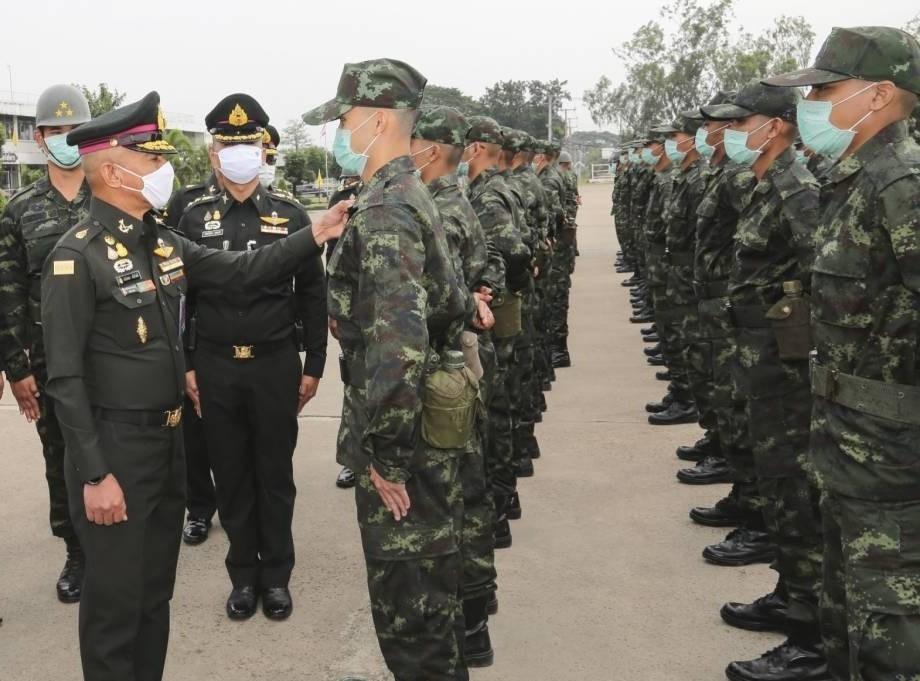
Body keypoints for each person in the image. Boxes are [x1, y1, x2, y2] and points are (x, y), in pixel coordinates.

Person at [41, 90, 345, 681]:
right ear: (114, 173)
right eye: (153, 159)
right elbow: (66, 380)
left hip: (168, 445)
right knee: (114, 610)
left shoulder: (160, 241)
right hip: (116, 452)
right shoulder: (76, 258)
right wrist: (96, 475)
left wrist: (315, 233)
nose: (165, 169)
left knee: (154, 598)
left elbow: (242, 269)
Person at [303, 58, 471, 681]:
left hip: (409, 436)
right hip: (425, 421)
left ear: (376, 121)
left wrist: (388, 457)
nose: (339, 133)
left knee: (411, 612)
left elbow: (398, 347)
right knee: (430, 597)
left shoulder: (385, 211)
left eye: (344, 119)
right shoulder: (404, 193)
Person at [764, 25, 920, 681]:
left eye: (825, 91)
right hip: (845, 447)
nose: (810, 105)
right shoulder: (851, 181)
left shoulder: (903, 186)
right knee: (844, 619)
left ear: (879, 94)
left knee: (889, 634)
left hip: (892, 462)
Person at [177, 93, 327, 621]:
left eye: (247, 144)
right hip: (216, 365)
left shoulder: (291, 214)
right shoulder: (192, 217)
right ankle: (243, 576)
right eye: (227, 144)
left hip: (274, 364)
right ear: (213, 154)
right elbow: (182, 300)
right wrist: (186, 364)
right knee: (232, 475)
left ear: (263, 152)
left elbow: (313, 294)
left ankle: (277, 577)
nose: (238, 153)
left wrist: (314, 365)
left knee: (274, 475)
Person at [706, 79, 827, 681]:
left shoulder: (796, 188)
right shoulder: (762, 183)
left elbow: (822, 276)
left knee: (794, 490)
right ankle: (791, 592)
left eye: (738, 124)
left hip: (787, 367)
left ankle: (811, 636)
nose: (728, 134)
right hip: (762, 358)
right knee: (777, 485)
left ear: (775, 126)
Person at [410, 104, 502, 667]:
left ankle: (469, 622)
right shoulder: (450, 201)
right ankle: (476, 609)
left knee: (456, 497)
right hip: (460, 355)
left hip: (445, 364)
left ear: (428, 148)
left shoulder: (439, 209)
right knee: (466, 489)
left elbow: (434, 300)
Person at [0, 83, 91, 602]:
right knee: (61, 456)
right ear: (39, 138)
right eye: (57, 131)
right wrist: (17, 368)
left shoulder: (112, 196)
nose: (66, 139)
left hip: (112, 355)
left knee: (120, 450)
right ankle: (76, 550)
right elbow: (8, 292)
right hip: (49, 361)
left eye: (76, 131)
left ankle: (119, 545)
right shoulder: (20, 211)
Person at [462, 115, 531, 551]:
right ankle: (504, 498)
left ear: (475, 148)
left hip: (496, 309)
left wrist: (499, 292)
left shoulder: (488, 194)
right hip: (498, 305)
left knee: (496, 407)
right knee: (499, 402)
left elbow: (514, 250)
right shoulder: (489, 188)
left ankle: (500, 506)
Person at [163, 149, 221, 549]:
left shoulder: (272, 205)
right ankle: (199, 508)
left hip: (236, 335)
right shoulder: (187, 202)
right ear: (213, 151)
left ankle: (236, 501)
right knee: (194, 433)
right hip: (196, 333)